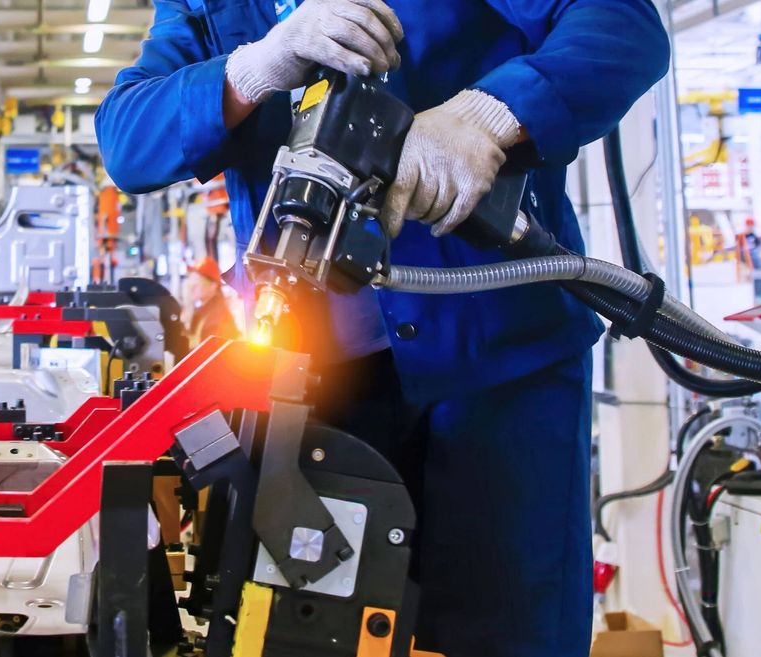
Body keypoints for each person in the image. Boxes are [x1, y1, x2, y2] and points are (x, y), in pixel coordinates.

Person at [96, 2, 669, 655]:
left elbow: (621, 27)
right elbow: (127, 140)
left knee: (506, 631)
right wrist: (254, 69)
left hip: (499, 372)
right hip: (309, 395)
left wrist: (486, 118)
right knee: (306, 635)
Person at [184, 256, 241, 346]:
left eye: (196, 284)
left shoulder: (216, 318)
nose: (191, 289)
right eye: (190, 284)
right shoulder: (203, 310)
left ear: (213, 286)